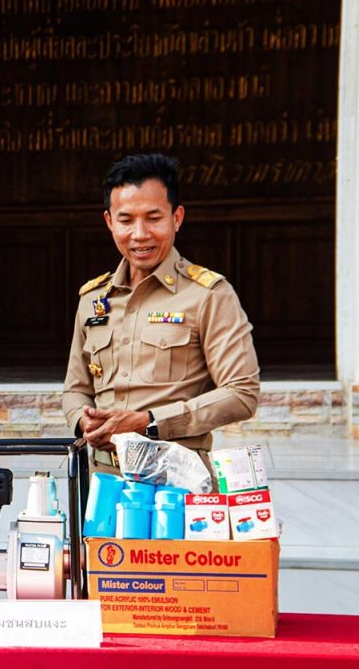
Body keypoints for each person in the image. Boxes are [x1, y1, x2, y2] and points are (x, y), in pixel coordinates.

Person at [62, 154, 260, 478]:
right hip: (102, 480)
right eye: (126, 220)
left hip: (177, 480)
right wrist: (84, 421)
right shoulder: (93, 299)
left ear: (176, 217)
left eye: (153, 218)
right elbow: (75, 389)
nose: (140, 234)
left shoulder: (209, 295)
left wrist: (149, 423)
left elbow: (242, 394)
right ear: (109, 221)